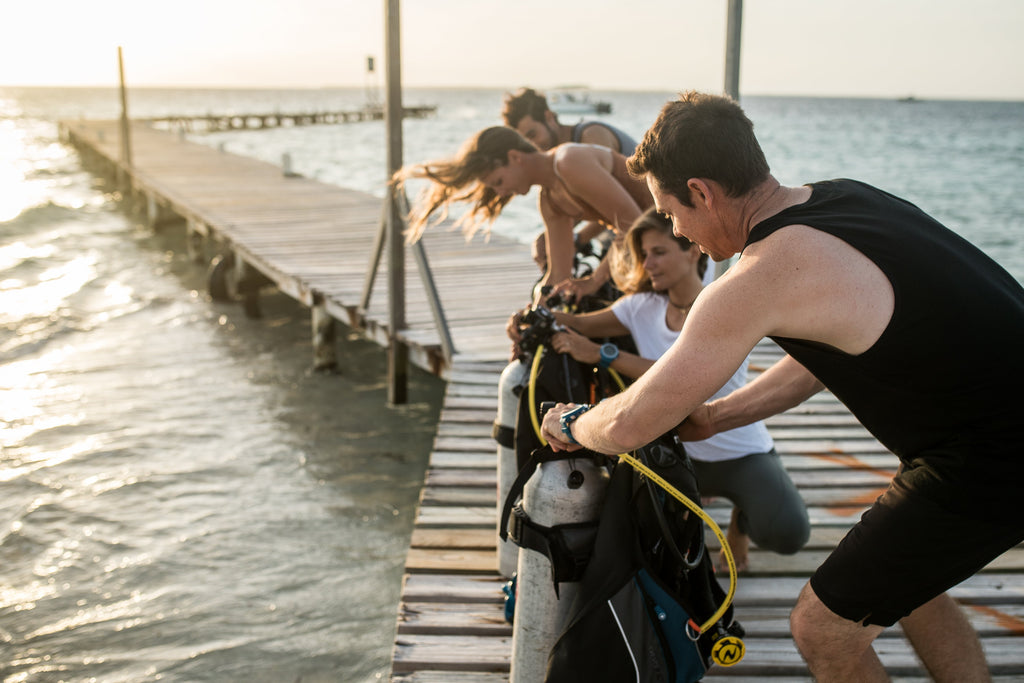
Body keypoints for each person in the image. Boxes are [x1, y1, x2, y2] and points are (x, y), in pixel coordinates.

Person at [540, 91, 1024, 681]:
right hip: (985, 437)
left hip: (988, 462)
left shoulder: (759, 274)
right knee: (909, 585)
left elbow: (628, 423)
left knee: (821, 627)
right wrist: (718, 417)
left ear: (702, 192)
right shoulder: (849, 199)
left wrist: (568, 423)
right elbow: (829, 354)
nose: (680, 233)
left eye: (672, 214)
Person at [539, 207, 809, 571]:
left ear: (692, 252)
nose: (647, 263)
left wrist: (604, 355)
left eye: (659, 252)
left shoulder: (725, 305)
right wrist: (534, 318)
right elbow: (575, 324)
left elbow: (697, 384)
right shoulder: (639, 307)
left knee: (788, 534)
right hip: (676, 453)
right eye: (644, 254)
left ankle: (739, 522)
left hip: (737, 449)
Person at [392, 126, 652, 302]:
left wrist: (594, 281)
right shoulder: (549, 201)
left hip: (675, 231)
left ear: (515, 157)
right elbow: (559, 274)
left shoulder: (568, 161)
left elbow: (632, 223)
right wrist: (533, 309)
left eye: (498, 180)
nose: (501, 192)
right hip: (655, 246)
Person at [501, 87, 637, 154]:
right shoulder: (560, 160)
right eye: (526, 142)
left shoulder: (591, 135)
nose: (533, 145)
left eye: (533, 135)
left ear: (549, 117)